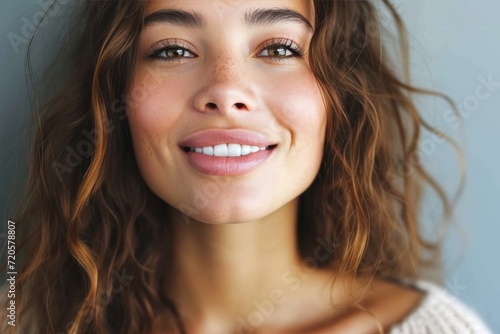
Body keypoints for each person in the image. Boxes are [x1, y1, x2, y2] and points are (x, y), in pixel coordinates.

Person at [0, 0, 493, 333]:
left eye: (278, 49)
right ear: (116, 95)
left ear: (339, 97)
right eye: (173, 50)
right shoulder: (21, 320)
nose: (226, 90)